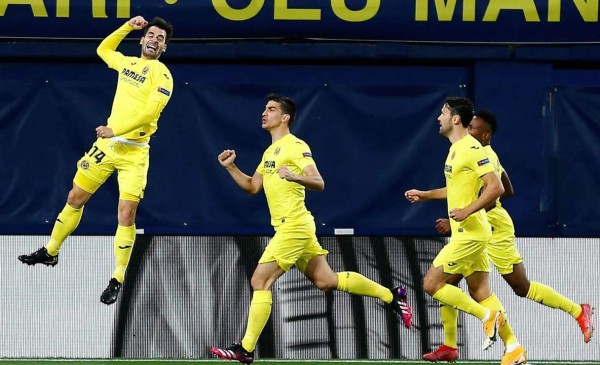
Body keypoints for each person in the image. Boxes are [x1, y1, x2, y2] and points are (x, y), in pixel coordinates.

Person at [211, 94, 413, 364]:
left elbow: (319, 181)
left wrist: (295, 176)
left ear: (285, 117)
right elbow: (252, 187)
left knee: (260, 281)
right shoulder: (270, 152)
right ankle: (392, 295)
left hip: (294, 227)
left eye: (271, 109)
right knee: (326, 281)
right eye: (264, 109)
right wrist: (231, 167)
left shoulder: (295, 146)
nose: (264, 113)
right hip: (295, 228)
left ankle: (245, 349)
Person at [18, 16, 174, 305]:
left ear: (164, 47)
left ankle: (117, 278)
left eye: (160, 38)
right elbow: (103, 50)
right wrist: (127, 26)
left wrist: (116, 129)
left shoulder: (162, 74)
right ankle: (51, 250)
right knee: (75, 196)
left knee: (126, 214)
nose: (154, 40)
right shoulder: (127, 64)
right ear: (142, 40)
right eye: (150, 35)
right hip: (108, 146)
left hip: (135, 152)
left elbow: (150, 114)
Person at [422, 110, 594, 363]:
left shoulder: (484, 154)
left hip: (493, 228)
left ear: (485, 134)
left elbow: (500, 192)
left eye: (473, 128)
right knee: (456, 285)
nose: (468, 131)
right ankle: (465, 346)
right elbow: (499, 189)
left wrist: (464, 214)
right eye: (467, 127)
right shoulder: (469, 151)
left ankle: (578, 311)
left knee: (520, 287)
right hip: (475, 227)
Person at [404, 97, 522, 364]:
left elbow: (497, 188)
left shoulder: (471, 148)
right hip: (468, 232)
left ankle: (486, 317)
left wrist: (467, 211)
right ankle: (513, 348)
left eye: (443, 113)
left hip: (471, 232)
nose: (439, 117)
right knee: (481, 292)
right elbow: (455, 189)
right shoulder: (456, 149)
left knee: (433, 284)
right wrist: (425, 195)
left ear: (455, 118)